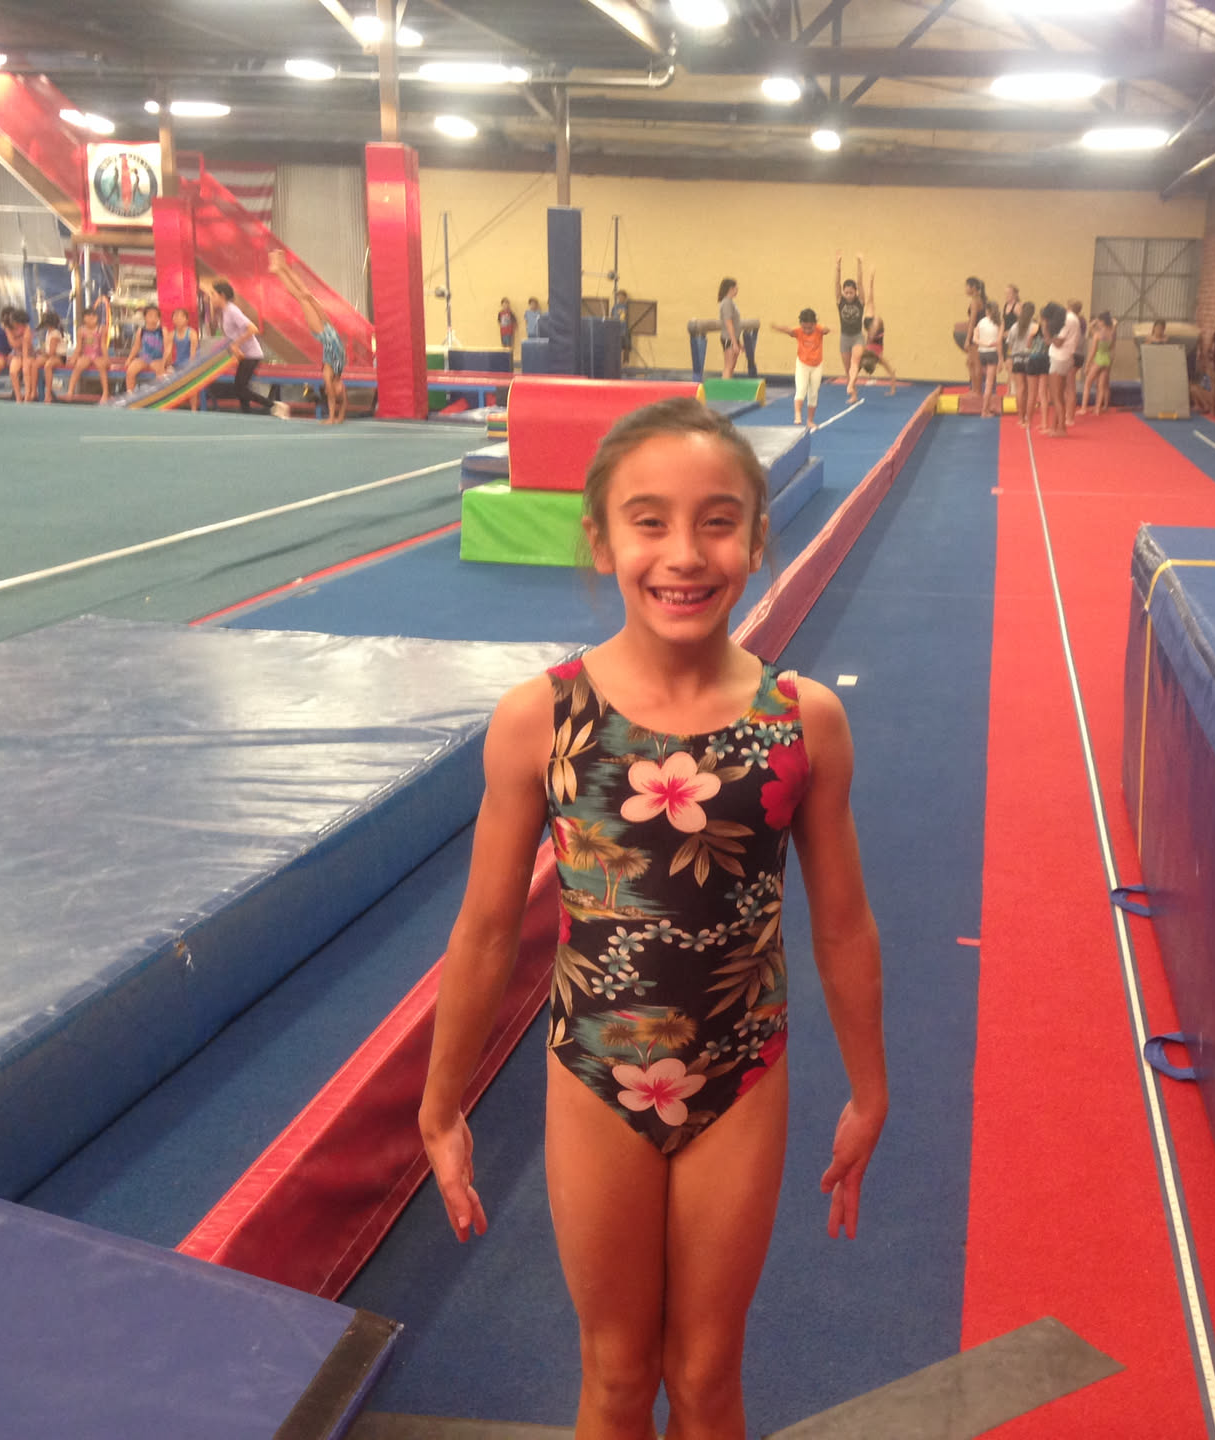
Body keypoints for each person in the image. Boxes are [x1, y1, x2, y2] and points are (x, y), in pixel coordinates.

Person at [419, 397, 887, 1440]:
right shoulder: (542, 719)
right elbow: (486, 933)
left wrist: (869, 1088)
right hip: (597, 1072)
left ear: (758, 541)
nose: (684, 553)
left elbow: (844, 925)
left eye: (718, 522)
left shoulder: (801, 721)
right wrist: (441, 1105)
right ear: (601, 540)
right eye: (649, 522)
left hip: (739, 1072)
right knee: (619, 1375)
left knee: (708, 1376)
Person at [269, 251, 348, 424]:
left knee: (301, 298)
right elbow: (343, 404)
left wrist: (331, 418)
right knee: (306, 293)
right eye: (342, 390)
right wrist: (340, 417)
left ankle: (279, 271)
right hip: (330, 328)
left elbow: (334, 400)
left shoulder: (328, 374)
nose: (343, 389)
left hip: (321, 332)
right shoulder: (339, 375)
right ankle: (283, 267)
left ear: (330, 391)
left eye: (338, 391)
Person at [214, 279, 287, 418]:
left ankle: (274, 405)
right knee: (240, 388)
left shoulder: (232, 310)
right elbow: (233, 335)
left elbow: (253, 329)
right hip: (244, 355)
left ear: (222, 295)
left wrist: (236, 344)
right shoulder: (226, 311)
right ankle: (246, 415)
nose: (211, 297)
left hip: (252, 354)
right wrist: (234, 348)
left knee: (240, 388)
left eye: (213, 294)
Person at [771, 307, 830, 429]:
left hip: (817, 366)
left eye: (810, 328)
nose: (807, 330)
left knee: (813, 393)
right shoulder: (798, 331)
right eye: (804, 327)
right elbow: (788, 330)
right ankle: (797, 415)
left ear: (815, 324)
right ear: (801, 324)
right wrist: (777, 327)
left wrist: (825, 329)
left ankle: (810, 421)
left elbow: (826, 330)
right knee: (801, 389)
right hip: (803, 365)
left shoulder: (819, 330)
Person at [834, 252, 866, 403]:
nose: (848, 295)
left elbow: (860, 283)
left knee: (855, 362)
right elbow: (836, 284)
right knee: (848, 370)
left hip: (857, 337)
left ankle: (851, 385)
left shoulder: (860, 301)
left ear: (855, 292)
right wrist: (838, 266)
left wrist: (859, 264)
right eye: (846, 292)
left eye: (851, 292)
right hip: (844, 338)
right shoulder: (840, 301)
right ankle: (853, 394)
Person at [61, 307, 110, 401]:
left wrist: (106, 358)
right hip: (86, 355)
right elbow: (79, 346)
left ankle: (105, 391)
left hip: (98, 355)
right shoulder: (81, 330)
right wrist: (74, 358)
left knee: (101, 367)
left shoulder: (101, 329)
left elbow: (103, 345)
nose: (92, 318)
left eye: (94, 316)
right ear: (84, 318)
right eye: (89, 316)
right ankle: (70, 391)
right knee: (78, 366)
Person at [1040, 301, 1073, 437]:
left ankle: (1062, 428)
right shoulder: (1062, 323)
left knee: (1056, 397)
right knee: (1058, 396)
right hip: (1063, 359)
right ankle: (1055, 426)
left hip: (1059, 360)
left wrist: (1045, 329)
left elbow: (1055, 342)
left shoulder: (1064, 324)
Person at [1007, 301, 1040, 428]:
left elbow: (1010, 345)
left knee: (1020, 388)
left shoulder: (1015, 326)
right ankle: (1028, 418)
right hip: (1030, 357)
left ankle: (1020, 417)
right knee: (1031, 390)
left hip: (1017, 358)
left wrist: (1012, 356)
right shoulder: (1035, 326)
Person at [123, 303, 170, 392]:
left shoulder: (163, 330)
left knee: (161, 375)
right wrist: (129, 359)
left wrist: (164, 362)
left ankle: (161, 395)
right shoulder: (141, 331)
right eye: (150, 315)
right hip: (144, 358)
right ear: (145, 317)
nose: (153, 318)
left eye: (156, 316)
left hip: (157, 359)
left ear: (159, 318)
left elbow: (167, 349)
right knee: (130, 371)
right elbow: (136, 346)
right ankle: (130, 395)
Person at [167, 306, 201, 410]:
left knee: (191, 382)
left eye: (180, 317)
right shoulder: (172, 334)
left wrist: (189, 367)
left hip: (191, 363)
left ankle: (194, 409)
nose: (177, 319)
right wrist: (167, 366)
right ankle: (169, 406)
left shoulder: (192, 333)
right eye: (175, 316)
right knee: (166, 378)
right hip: (178, 363)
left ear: (186, 319)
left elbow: (193, 353)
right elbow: (168, 352)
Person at [972, 301, 1002, 418]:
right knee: (989, 383)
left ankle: (987, 407)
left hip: (982, 353)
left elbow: (975, 339)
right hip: (992, 353)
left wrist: (984, 344)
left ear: (987, 311)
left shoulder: (981, 322)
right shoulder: (999, 322)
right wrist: (1001, 359)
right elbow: (999, 342)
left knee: (986, 382)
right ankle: (984, 411)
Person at [1082, 311, 1116, 416]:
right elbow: (1111, 347)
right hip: (1106, 359)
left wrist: (1087, 365)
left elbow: (1092, 351)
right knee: (1101, 386)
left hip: (1099, 359)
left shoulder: (1098, 335)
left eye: (1099, 321)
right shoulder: (1111, 333)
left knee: (1087, 383)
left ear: (1102, 322)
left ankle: (1083, 408)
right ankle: (1097, 409)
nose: (1098, 323)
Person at [957, 276, 986, 390]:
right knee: (970, 363)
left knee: (975, 363)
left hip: (976, 335)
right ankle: (974, 388)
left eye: (967, 286)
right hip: (978, 333)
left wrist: (968, 339)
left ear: (973, 287)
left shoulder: (975, 302)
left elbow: (973, 321)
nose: (965, 289)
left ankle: (977, 390)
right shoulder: (978, 300)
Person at [32, 310, 66, 402]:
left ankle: (48, 394)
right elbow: (47, 350)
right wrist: (40, 352)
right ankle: (33, 391)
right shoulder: (49, 332)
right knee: (35, 364)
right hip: (51, 356)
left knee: (48, 365)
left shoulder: (55, 334)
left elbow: (51, 353)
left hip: (59, 357)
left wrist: (41, 353)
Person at [715, 277, 743, 382]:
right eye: (736, 288)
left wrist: (738, 342)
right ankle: (723, 388)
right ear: (731, 289)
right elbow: (729, 323)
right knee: (728, 366)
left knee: (731, 367)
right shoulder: (726, 303)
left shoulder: (731, 302)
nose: (737, 290)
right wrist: (734, 342)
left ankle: (727, 387)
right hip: (728, 338)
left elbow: (735, 324)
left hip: (732, 338)